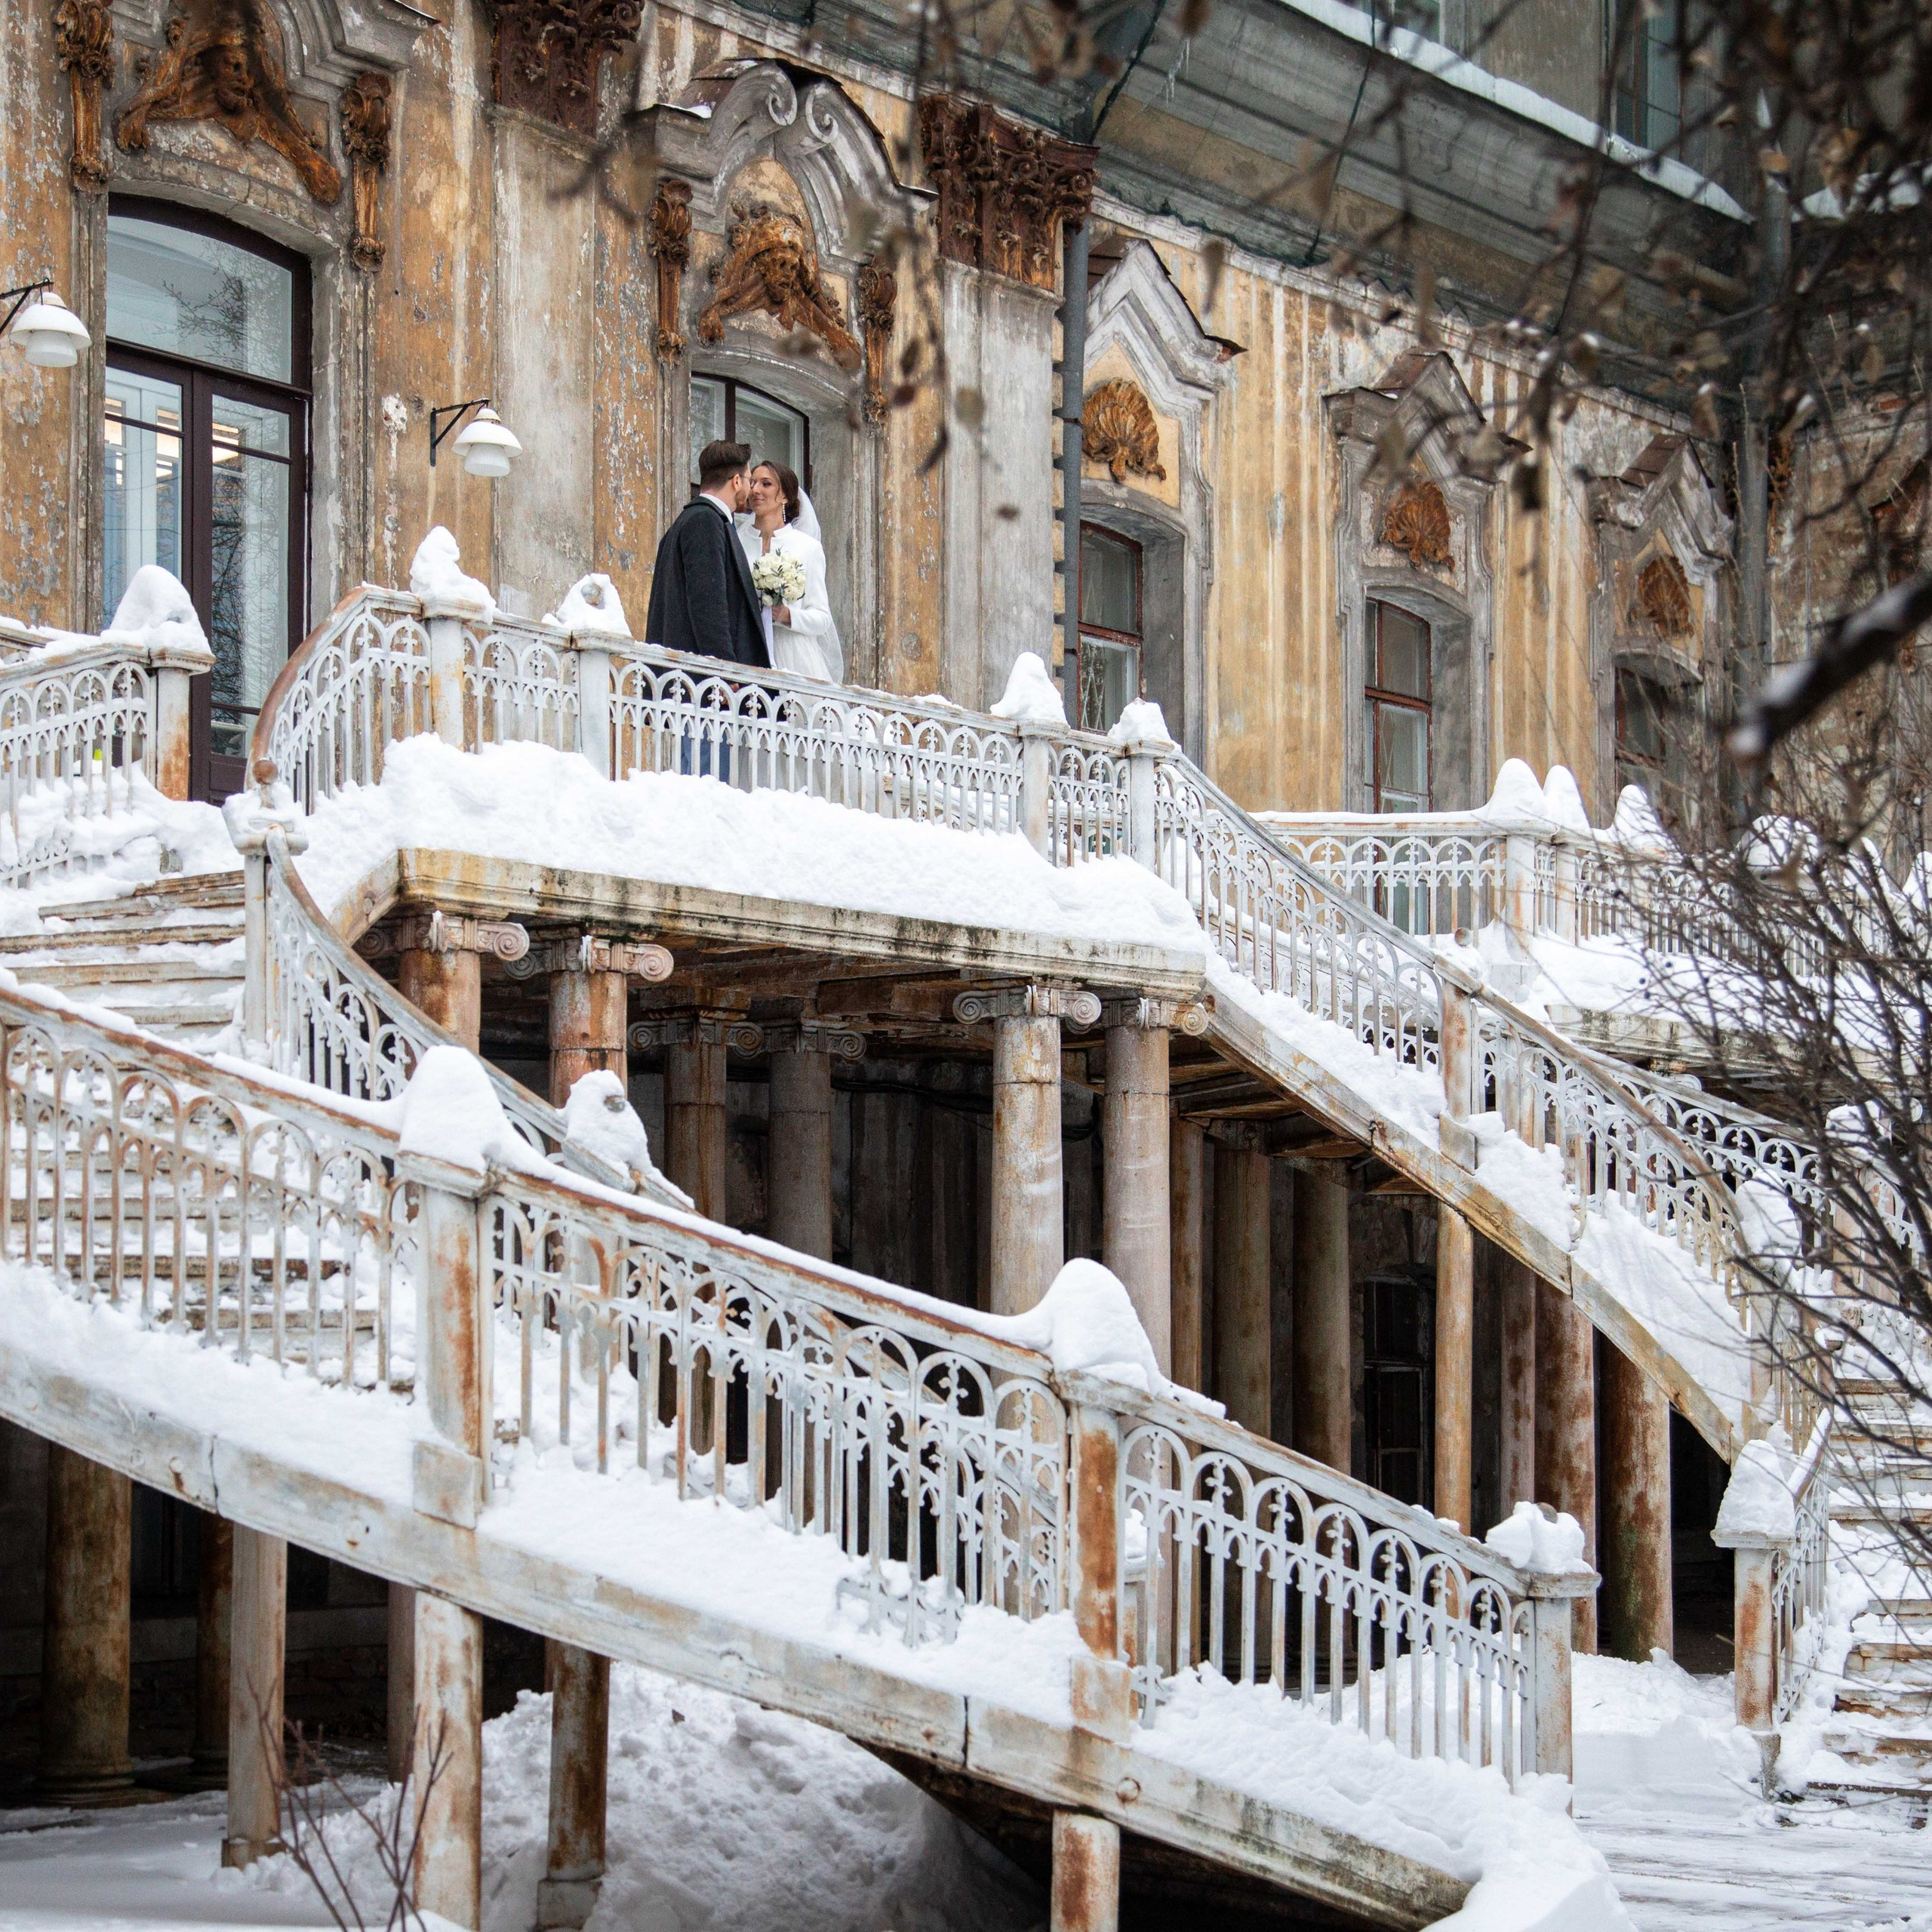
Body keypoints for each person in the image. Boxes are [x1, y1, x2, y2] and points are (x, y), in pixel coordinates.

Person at [643, 440, 769, 669]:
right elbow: (708, 603)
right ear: (736, 481)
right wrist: (723, 670)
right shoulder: (705, 521)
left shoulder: (691, 522)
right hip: (703, 687)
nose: (751, 489)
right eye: (750, 481)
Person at [739, 460, 843, 684]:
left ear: (785, 495)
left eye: (766, 484)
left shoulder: (807, 548)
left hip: (794, 657)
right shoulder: (737, 542)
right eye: (753, 482)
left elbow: (822, 618)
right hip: (746, 651)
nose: (755, 490)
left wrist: (788, 616)